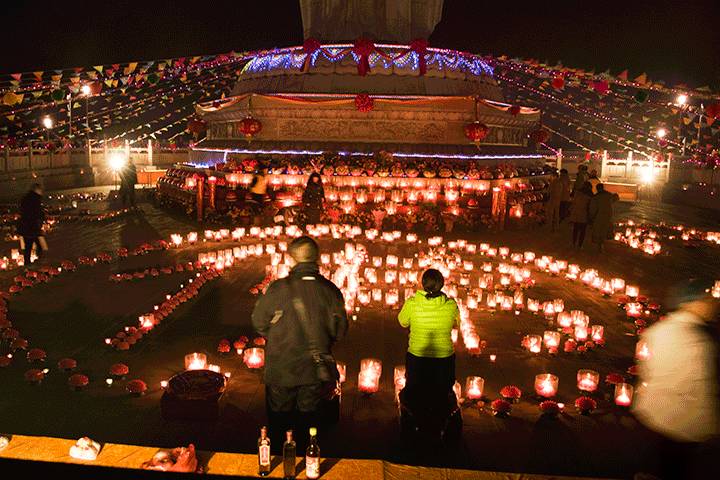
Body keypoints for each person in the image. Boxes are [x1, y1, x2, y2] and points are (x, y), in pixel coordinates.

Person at [251, 236, 347, 446]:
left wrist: (279, 337)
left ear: (291, 259)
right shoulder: (331, 291)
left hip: (281, 368)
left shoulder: (278, 289)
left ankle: (279, 456)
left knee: (279, 421)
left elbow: (259, 322)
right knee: (309, 421)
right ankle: (306, 458)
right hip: (314, 370)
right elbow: (340, 332)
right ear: (317, 259)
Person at [633, 280, 720, 479]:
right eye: (706, 300)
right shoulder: (697, 341)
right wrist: (711, 426)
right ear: (691, 303)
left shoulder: (656, 331)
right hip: (682, 425)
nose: (713, 304)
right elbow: (701, 389)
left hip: (651, 413)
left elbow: (646, 370)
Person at [398, 268, 460, 403]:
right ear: (442, 284)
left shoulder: (412, 303)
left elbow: (402, 322)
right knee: (443, 392)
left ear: (423, 283)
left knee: (414, 390)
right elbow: (457, 324)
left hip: (417, 357)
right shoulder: (451, 305)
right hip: (444, 359)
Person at [17, 183, 46, 266]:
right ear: (37, 190)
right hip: (31, 226)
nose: (42, 192)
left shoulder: (26, 198)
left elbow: (22, 210)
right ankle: (29, 263)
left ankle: (31, 262)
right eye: (40, 190)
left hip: (27, 225)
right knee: (31, 245)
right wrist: (40, 219)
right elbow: (37, 212)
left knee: (30, 245)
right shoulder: (35, 199)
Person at [588, 183, 618, 252]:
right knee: (604, 229)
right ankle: (602, 244)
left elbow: (592, 208)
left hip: (599, 215)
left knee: (599, 230)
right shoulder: (608, 195)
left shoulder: (596, 197)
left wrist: (591, 216)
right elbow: (615, 198)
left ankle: (600, 245)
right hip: (608, 215)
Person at [569, 182, 592, 249]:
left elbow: (574, 203)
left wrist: (571, 210)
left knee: (575, 229)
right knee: (582, 231)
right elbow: (590, 206)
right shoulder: (590, 195)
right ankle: (580, 244)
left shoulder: (577, 193)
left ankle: (574, 242)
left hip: (576, 214)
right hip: (584, 215)